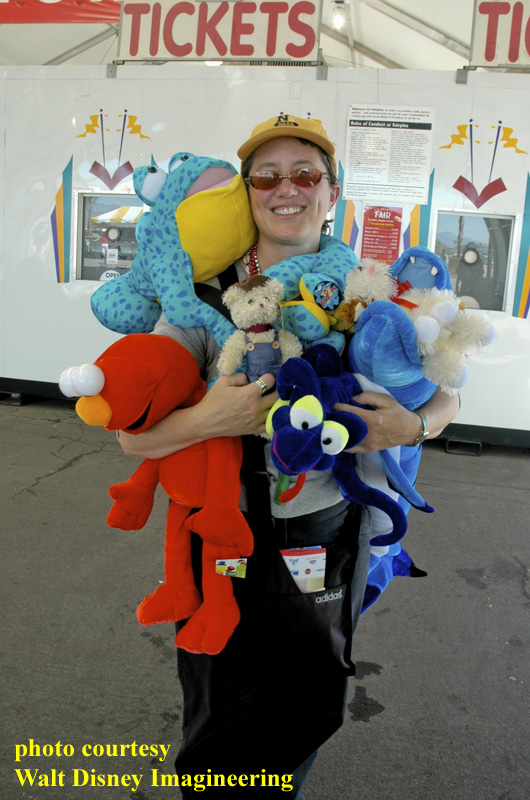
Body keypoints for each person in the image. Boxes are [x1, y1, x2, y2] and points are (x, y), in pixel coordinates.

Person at [119, 113, 459, 797]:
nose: (286, 189)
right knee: (221, 702)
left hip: (330, 532)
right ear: (246, 193)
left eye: (305, 174)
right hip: (220, 537)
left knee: (308, 697)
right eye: (265, 176)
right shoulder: (202, 298)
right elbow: (133, 436)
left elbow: (449, 391)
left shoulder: (373, 293)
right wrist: (212, 417)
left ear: (333, 193)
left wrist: (414, 426)